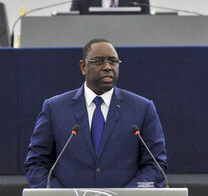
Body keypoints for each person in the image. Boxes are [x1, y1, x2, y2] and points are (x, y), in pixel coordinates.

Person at [24, 38, 167, 188]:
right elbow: (36, 163)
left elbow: (156, 164)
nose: (107, 67)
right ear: (83, 67)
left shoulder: (142, 108)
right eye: (99, 61)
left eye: (113, 61)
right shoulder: (54, 108)